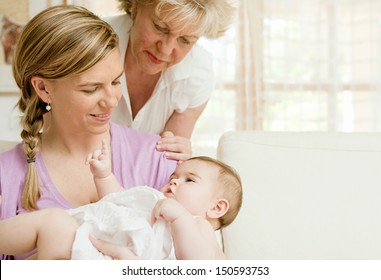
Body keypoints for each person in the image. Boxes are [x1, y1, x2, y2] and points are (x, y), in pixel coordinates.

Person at [0, 5, 177, 260]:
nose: (111, 101)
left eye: (116, 82)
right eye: (91, 89)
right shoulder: (8, 177)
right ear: (43, 88)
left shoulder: (158, 157)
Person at [0, 140, 243, 260]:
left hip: (100, 262)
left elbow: (199, 269)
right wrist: (104, 174)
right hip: (84, 244)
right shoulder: (154, 202)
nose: (175, 181)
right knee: (53, 221)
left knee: (55, 228)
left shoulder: (198, 226)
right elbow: (118, 201)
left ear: (217, 207)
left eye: (190, 180)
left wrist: (180, 218)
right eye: (174, 176)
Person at [106, 0, 236, 159]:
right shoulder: (88, 42)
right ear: (135, 8)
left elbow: (165, 161)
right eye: (160, 28)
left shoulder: (197, 75)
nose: (165, 49)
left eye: (185, 40)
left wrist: (180, 154)